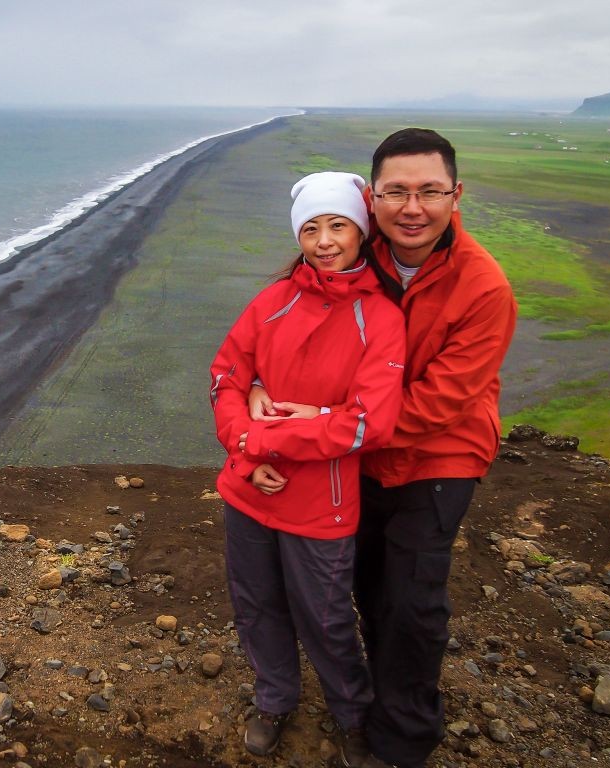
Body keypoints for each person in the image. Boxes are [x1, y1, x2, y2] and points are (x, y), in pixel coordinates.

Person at [250, 129, 518, 767]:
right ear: (372, 197)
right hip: (351, 449)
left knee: (410, 600)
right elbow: (287, 317)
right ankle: (359, 701)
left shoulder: (483, 289)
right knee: (359, 583)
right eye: (396, 192)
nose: (412, 207)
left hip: (437, 456)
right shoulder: (348, 248)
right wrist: (261, 379)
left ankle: (401, 742)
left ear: (457, 195)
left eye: (430, 191)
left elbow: (437, 406)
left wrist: (332, 421)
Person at [210, 171, 406, 766]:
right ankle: (275, 697)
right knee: (256, 602)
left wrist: (272, 441)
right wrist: (246, 447)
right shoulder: (271, 301)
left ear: (361, 229)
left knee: (323, 616)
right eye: (311, 227)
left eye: (338, 225)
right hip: (249, 488)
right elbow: (225, 375)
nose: (324, 240)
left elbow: (371, 422)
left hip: (323, 500)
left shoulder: (381, 315)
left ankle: (351, 715)